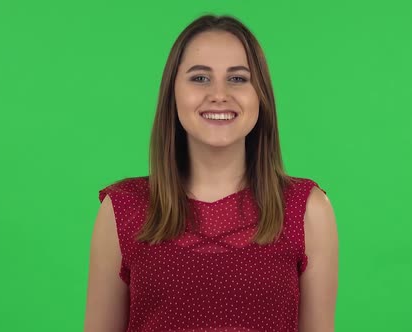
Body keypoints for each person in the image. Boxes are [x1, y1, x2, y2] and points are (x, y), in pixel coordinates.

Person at [84, 14, 338, 332]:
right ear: (172, 93)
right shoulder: (123, 209)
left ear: (261, 95)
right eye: (200, 78)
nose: (219, 94)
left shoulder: (307, 209)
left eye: (238, 78)